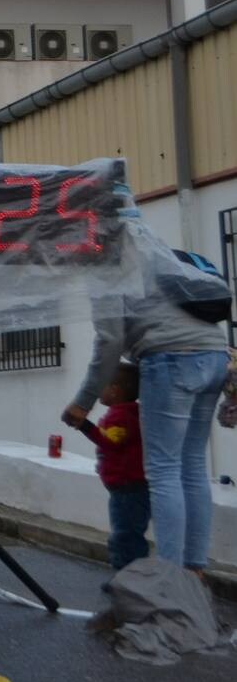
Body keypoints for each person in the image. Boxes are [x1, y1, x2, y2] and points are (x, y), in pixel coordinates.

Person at [62, 232, 228, 576]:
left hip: (170, 359)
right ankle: (193, 570)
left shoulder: (106, 269)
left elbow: (110, 341)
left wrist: (83, 402)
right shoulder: (155, 251)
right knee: (192, 465)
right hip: (215, 356)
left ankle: (170, 577)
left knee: (164, 470)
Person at [66, 362, 149, 572]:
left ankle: (127, 578)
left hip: (127, 488)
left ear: (115, 390)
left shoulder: (122, 415)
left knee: (124, 535)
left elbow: (110, 441)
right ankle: (133, 576)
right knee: (130, 533)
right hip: (126, 487)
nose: (98, 390)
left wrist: (85, 425)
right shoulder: (128, 412)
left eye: (102, 385)